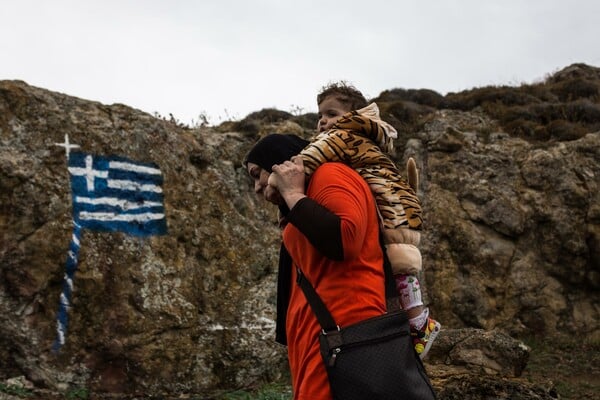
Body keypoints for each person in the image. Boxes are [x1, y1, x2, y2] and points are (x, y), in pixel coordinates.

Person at [297, 82, 440, 358]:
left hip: (391, 212)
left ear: (355, 116)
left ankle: (419, 322)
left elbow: (311, 159)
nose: (324, 121)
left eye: (332, 114)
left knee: (400, 268)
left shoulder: (344, 136)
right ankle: (410, 322)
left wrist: (286, 174)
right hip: (398, 208)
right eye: (320, 116)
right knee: (398, 270)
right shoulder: (367, 137)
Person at [244, 133, 388, 400]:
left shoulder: (330, 174)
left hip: (346, 334)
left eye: (256, 173)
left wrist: (291, 192)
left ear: (277, 163)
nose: (256, 187)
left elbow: (345, 239)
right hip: (325, 339)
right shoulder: (304, 197)